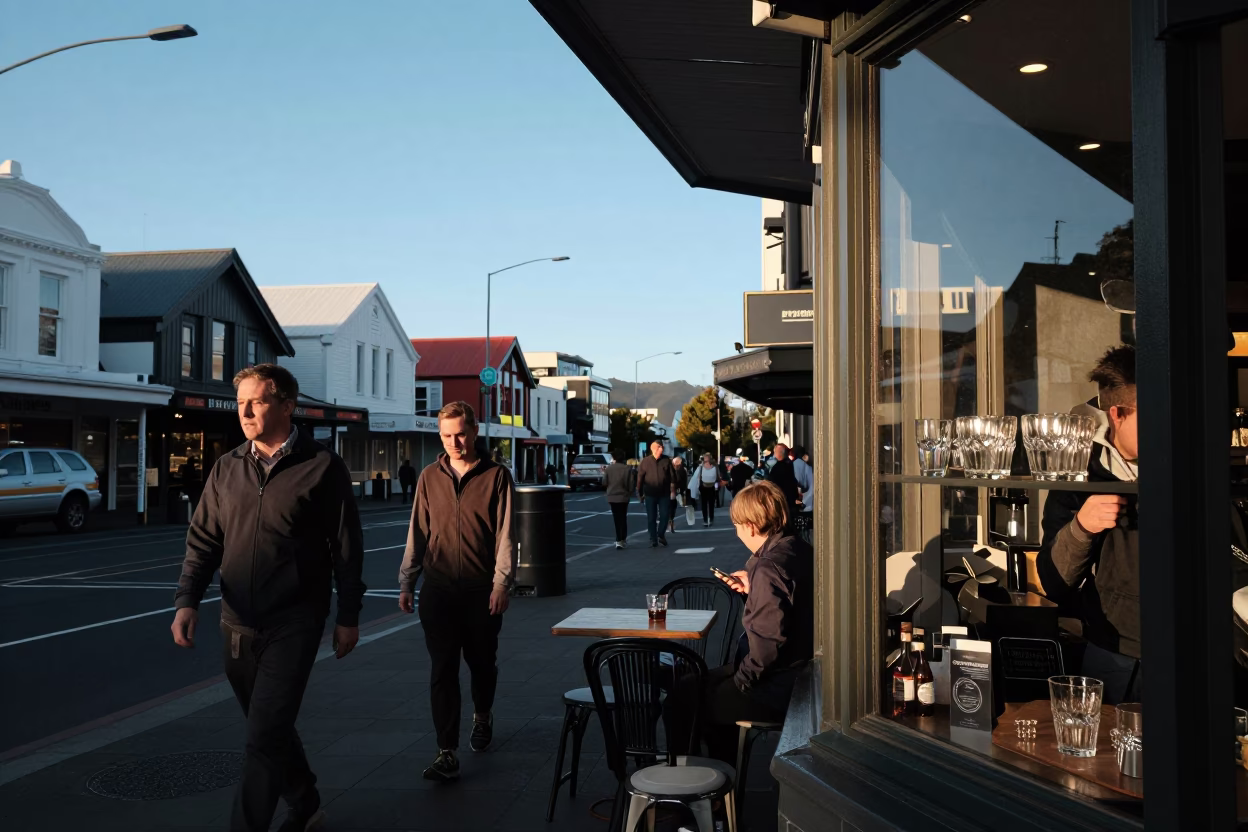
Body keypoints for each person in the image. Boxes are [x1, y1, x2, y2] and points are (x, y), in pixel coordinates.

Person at [171, 363, 364, 832]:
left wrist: (348, 617)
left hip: (294, 621)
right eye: (240, 403)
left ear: (287, 406)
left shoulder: (322, 467)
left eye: (256, 401)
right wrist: (187, 601)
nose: (246, 411)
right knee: (269, 727)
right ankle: (306, 803)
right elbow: (203, 542)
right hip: (236, 621)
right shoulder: (227, 467)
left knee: (262, 736)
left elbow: (346, 549)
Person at [397, 401, 515, 783]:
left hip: (483, 591)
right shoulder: (430, 477)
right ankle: (446, 750)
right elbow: (417, 530)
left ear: (475, 431)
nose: (454, 442)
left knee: (482, 664)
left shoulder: (497, 476)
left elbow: (506, 534)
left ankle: (482, 714)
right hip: (440, 591)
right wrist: (407, 580)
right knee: (442, 669)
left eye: (460, 433)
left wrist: (501, 582)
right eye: (447, 435)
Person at [665, 481, 813, 764]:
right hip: (796, 671)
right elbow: (785, 611)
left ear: (751, 526)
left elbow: (768, 641)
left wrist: (742, 681)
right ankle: (721, 780)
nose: (737, 531)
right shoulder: (794, 548)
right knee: (690, 686)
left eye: (737, 524)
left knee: (682, 702)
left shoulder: (768, 566)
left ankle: (687, 784)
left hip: (778, 681)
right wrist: (752, 589)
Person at [1035, 346, 1143, 704]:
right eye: (1154, 413)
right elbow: (1053, 582)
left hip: (1205, 646)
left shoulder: (1197, 459)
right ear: (1117, 414)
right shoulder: (1078, 471)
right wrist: (1082, 526)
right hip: (1117, 652)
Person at [637, 439, 676, 547]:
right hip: (650, 494)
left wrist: (673, 490)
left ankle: (660, 534)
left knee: (664, 515)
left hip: (664, 493)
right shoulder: (645, 462)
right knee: (651, 517)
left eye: (662, 447)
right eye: (660, 447)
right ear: (653, 449)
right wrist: (640, 493)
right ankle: (653, 539)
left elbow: (673, 477)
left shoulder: (666, 460)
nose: (662, 449)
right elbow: (640, 478)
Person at [603, 449, 636, 549]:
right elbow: (631, 484)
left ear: (614, 458)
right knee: (623, 517)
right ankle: (623, 538)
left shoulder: (609, 469)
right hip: (623, 496)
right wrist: (630, 492)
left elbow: (604, 482)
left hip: (612, 496)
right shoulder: (627, 469)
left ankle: (618, 539)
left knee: (616, 518)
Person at [767, 443, 802, 512]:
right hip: (792, 502)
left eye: (775, 452)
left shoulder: (775, 468)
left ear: (777, 453)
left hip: (780, 503)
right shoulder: (792, 465)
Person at [694, 453, 721, 527]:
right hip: (705, 487)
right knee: (705, 504)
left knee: (709, 504)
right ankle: (707, 519)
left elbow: (718, 476)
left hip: (710, 487)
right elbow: (698, 477)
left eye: (706, 458)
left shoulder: (713, 467)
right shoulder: (702, 467)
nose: (705, 459)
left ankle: (709, 519)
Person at [791, 445, 813, 514]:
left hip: (802, 504)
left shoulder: (795, 464)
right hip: (809, 502)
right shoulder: (808, 466)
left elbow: (799, 483)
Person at [669, 454, 687, 534]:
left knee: (670, 506)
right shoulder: (682, 470)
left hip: (669, 491)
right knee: (672, 507)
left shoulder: (669, 469)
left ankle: (669, 520)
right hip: (674, 491)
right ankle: (671, 520)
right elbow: (683, 482)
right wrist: (683, 491)